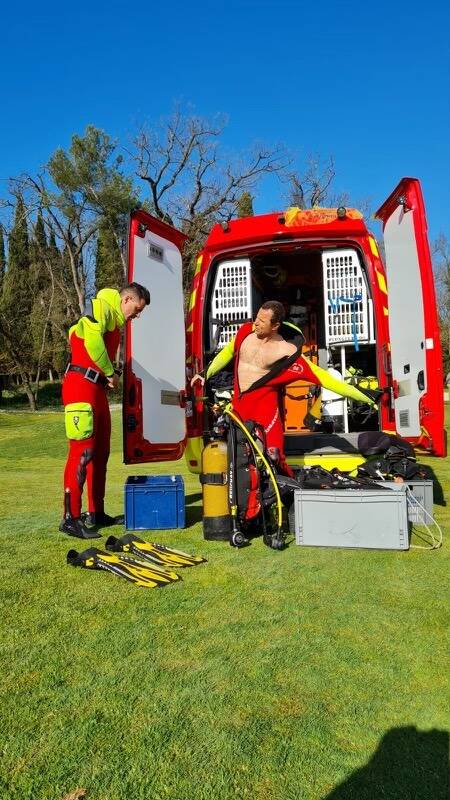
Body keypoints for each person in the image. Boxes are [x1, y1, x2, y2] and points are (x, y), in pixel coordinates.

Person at [192, 300, 378, 476]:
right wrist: (204, 373)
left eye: (261, 321)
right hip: (240, 409)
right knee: (240, 459)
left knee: (274, 458)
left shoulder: (286, 351)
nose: (255, 323)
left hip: (266, 413)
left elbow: (326, 379)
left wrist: (370, 397)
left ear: (275, 326)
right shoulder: (244, 333)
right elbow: (226, 353)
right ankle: (247, 507)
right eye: (256, 318)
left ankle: (286, 498)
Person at [60, 283, 150, 538]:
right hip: (80, 387)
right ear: (127, 298)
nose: (137, 315)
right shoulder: (101, 306)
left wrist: (109, 374)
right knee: (82, 451)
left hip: (96, 390)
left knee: (100, 453)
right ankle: (70, 517)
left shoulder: (114, 321)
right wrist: (110, 373)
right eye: (137, 308)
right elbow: (91, 343)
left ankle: (95, 512)